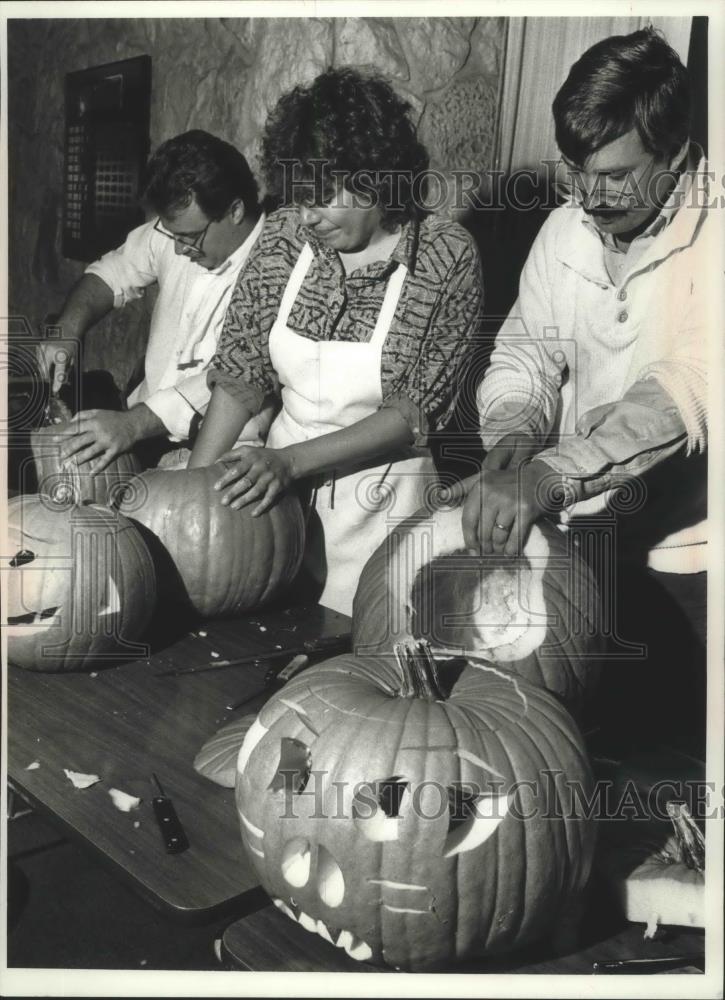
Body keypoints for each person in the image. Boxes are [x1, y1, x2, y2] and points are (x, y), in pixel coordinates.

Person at [462, 28, 711, 754]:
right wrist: (513, 435)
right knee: (568, 772)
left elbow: (686, 390)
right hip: (580, 550)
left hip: (690, 572)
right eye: (576, 170)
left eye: (612, 174)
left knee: (667, 785)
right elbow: (525, 355)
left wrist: (546, 475)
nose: (588, 196)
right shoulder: (564, 230)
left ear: (673, 152)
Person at [188, 68, 483, 616]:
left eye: (322, 197)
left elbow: (414, 413)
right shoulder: (283, 236)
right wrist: (194, 495)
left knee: (362, 655)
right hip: (273, 513)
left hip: (386, 516)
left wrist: (291, 462)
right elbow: (242, 373)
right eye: (298, 198)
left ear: (377, 176)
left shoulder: (445, 255)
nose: (307, 217)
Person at [38, 130, 270, 471]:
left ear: (235, 210)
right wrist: (67, 330)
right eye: (171, 236)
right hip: (142, 437)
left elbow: (231, 380)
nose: (178, 249)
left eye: (190, 238)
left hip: (220, 459)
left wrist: (133, 424)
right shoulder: (178, 229)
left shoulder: (275, 263)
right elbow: (114, 271)